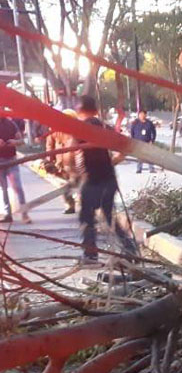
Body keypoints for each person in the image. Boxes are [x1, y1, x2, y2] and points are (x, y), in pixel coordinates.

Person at [71, 96, 137, 265]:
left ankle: (90, 255)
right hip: (108, 179)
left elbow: (70, 155)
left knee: (87, 218)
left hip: (91, 180)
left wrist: (73, 174)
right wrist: (111, 162)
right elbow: (123, 151)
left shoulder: (80, 128)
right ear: (95, 110)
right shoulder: (104, 127)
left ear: (79, 111)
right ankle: (131, 250)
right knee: (109, 217)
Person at [44, 109, 80, 214]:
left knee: (78, 184)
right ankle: (70, 205)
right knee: (63, 186)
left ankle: (84, 205)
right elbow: (49, 146)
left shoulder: (78, 130)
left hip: (75, 163)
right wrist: (49, 161)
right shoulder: (54, 129)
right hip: (60, 163)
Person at [0, 116, 30, 224]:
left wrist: (15, 142)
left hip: (11, 160)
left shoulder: (11, 123)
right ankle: (7, 214)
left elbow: (22, 140)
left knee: (17, 186)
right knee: (3, 189)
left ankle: (24, 213)